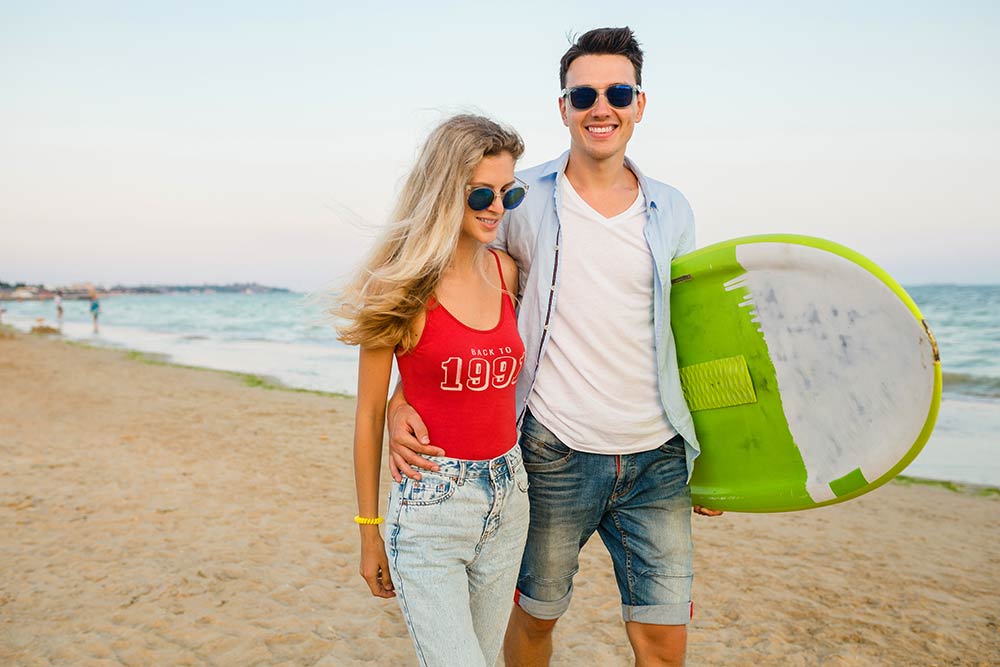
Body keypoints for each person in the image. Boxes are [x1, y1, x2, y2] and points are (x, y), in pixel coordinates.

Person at [387, 27, 722, 667]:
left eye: (618, 91)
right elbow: (457, 300)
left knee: (663, 640)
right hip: (550, 452)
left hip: (659, 458)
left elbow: (693, 335)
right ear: (563, 107)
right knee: (535, 620)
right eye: (584, 94)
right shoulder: (519, 199)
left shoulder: (673, 209)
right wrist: (403, 395)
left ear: (639, 104)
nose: (602, 107)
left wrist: (716, 455)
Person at [335, 114, 532, 667]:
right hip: (431, 506)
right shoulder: (399, 288)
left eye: (507, 193)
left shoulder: (507, 272)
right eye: (479, 195)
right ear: (446, 193)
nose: (496, 207)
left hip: (509, 496)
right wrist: (368, 531)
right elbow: (370, 414)